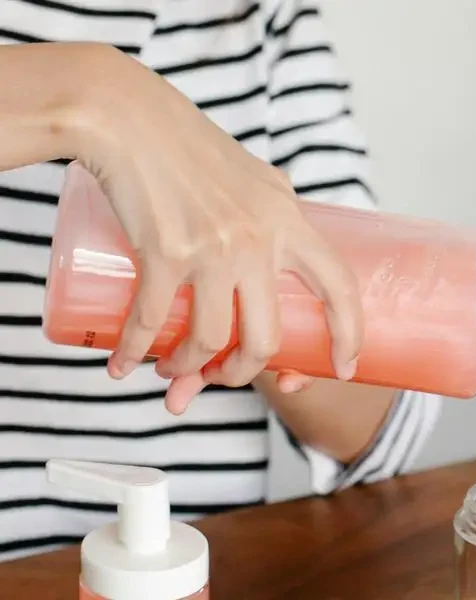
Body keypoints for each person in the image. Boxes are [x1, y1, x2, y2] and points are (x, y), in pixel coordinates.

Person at [0, 0, 442, 561]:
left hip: (189, 572)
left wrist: (246, 279)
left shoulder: (265, 23)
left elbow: (379, 432)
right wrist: (98, 93)